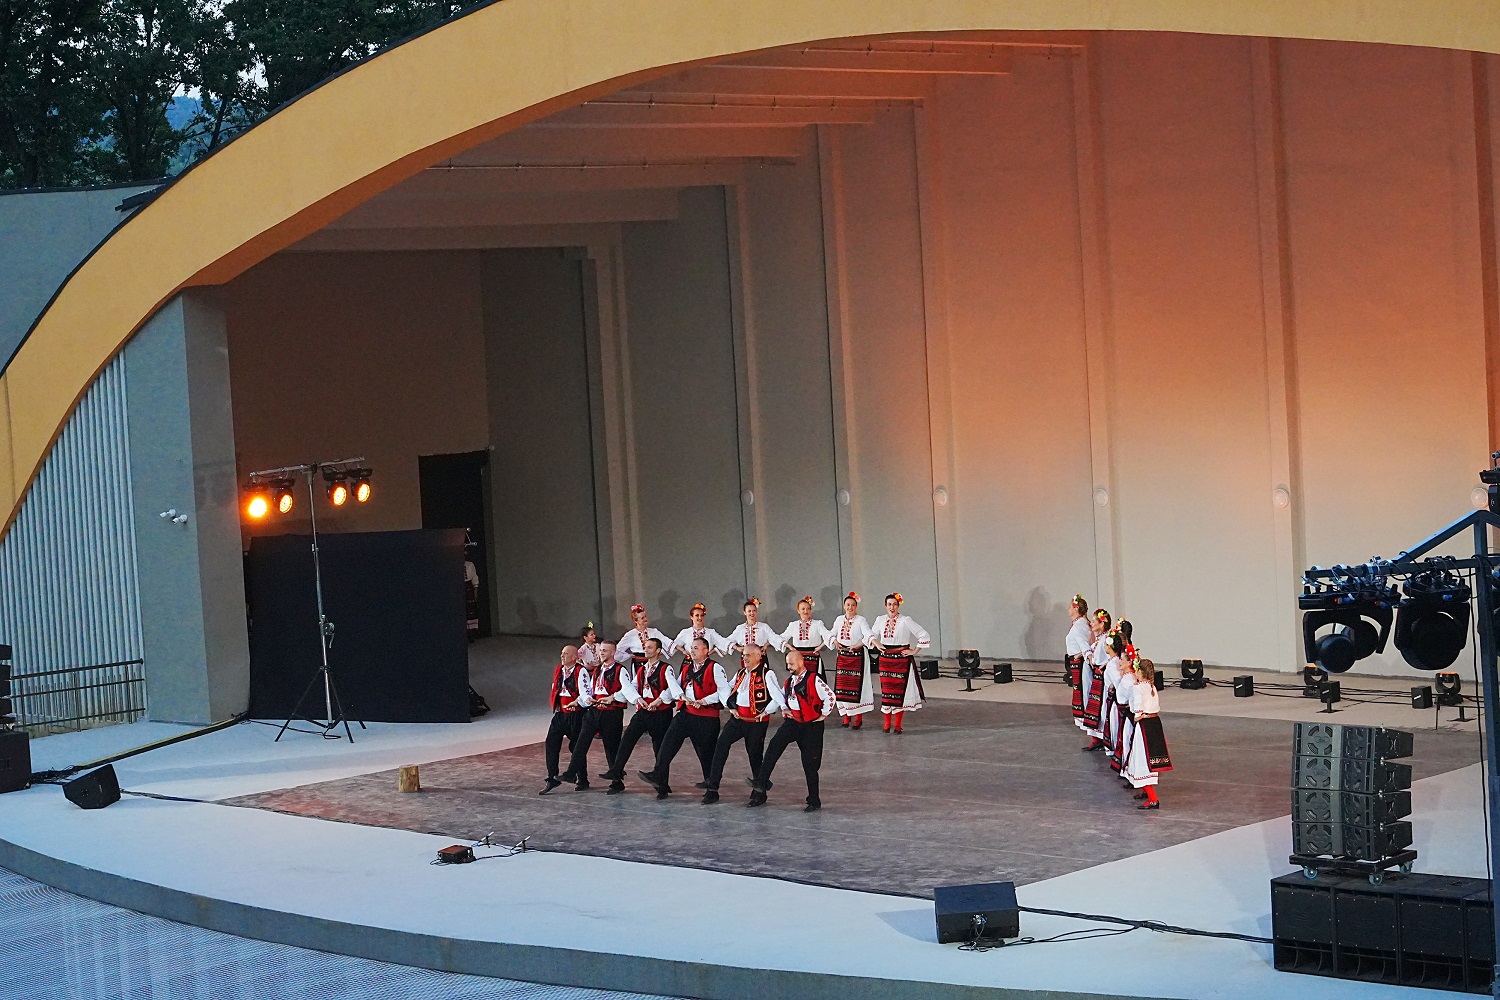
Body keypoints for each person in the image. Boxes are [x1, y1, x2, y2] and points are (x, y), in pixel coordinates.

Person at [638, 638, 728, 798]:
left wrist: (704, 701)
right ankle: (658, 773)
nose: (692, 651)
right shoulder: (687, 668)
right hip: (685, 714)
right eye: (691, 648)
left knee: (706, 755)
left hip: (706, 718)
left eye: (696, 648)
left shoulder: (715, 668)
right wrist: (660, 699)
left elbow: (723, 692)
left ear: (706, 651)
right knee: (668, 743)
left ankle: (712, 790)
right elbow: (675, 686)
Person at [749, 648, 834, 811]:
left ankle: (814, 800)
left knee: (810, 763)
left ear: (801, 662)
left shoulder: (814, 679)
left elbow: (830, 696)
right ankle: (762, 782)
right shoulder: (789, 682)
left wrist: (823, 715)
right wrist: (767, 711)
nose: (788, 667)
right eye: (787, 664)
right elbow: (780, 698)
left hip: (811, 726)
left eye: (791, 664)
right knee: (774, 746)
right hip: (792, 722)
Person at [699, 643, 784, 804]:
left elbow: (777, 697)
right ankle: (713, 786)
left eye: (748, 655)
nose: (745, 658)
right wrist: (727, 705)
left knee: (755, 755)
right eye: (743, 655)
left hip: (755, 723)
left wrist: (766, 711)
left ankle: (760, 792)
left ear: (759, 656)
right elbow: (726, 690)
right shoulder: (740, 673)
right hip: (738, 720)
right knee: (721, 744)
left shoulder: (767, 673)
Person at [600, 637, 678, 793]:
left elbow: (672, 687)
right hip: (643, 711)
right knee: (628, 738)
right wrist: (613, 697)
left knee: (659, 748)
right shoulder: (642, 669)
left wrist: (659, 700)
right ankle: (616, 770)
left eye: (650, 647)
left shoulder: (666, 668)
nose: (646, 650)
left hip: (661, 713)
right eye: (645, 647)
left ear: (658, 651)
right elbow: (631, 687)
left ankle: (662, 785)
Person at [559, 641, 636, 790]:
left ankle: (617, 782)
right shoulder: (598, 669)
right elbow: (590, 690)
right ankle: (571, 773)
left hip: (611, 713)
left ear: (613, 653)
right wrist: (581, 701)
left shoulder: (620, 670)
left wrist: (612, 697)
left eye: (605, 651)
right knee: (581, 742)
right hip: (594, 711)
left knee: (611, 747)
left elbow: (628, 689)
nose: (601, 653)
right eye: (601, 650)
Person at [865, 593, 930, 734]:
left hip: (901, 660)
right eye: (889, 604)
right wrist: (877, 643)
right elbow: (870, 635)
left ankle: (898, 725)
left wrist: (914, 651)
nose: (892, 607)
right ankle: (886, 724)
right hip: (886, 660)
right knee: (887, 692)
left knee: (899, 693)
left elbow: (923, 635)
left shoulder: (905, 620)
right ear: (885, 606)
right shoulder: (880, 620)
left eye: (894, 604)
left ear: (898, 605)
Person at [1124, 658, 1171, 809]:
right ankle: (1145, 791)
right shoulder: (1152, 687)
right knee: (1148, 759)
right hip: (1155, 724)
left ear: (1139, 671)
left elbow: (1137, 712)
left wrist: (1137, 716)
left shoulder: (1137, 688)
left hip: (1144, 726)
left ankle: (1153, 799)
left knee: (1141, 760)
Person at [540, 644, 585, 794]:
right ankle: (552, 777)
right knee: (551, 743)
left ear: (574, 657)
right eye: (562, 653)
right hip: (560, 715)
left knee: (576, 747)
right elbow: (555, 688)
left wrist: (577, 702)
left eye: (566, 653)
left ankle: (582, 778)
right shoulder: (559, 670)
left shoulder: (580, 671)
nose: (562, 656)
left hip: (576, 715)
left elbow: (586, 693)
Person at [826, 591, 874, 729]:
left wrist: (858, 644)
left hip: (857, 656)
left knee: (858, 687)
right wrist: (834, 641)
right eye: (848, 605)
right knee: (843, 687)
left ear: (856, 606)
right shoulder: (839, 619)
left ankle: (858, 718)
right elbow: (831, 633)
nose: (850, 607)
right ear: (844, 606)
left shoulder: (861, 620)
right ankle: (846, 716)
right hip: (843, 656)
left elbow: (868, 634)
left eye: (853, 605)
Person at [1080, 609, 1112, 750]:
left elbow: (1099, 659)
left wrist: (1090, 657)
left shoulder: (1106, 639)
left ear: (1102, 623)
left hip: (1102, 680)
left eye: (1094, 621)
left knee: (1102, 708)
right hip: (1097, 678)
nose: (1091, 623)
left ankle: (1104, 738)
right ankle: (1098, 738)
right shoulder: (1100, 639)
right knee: (1097, 708)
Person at [778, 596, 831, 682]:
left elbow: (828, 635)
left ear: (811, 611)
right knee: (799, 682)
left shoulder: (818, 624)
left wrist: (820, 647)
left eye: (808, 609)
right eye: (803, 609)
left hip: (813, 657)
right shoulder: (793, 625)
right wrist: (790, 647)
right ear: (798, 611)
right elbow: (781, 638)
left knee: (813, 681)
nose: (806, 611)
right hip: (798, 658)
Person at [616, 604, 675, 669]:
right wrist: (628, 656)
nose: (645, 619)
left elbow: (666, 641)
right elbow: (617, 650)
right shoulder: (630, 635)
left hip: (653, 663)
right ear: (635, 620)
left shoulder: (653, 631)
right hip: (638, 664)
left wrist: (679, 649)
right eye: (642, 618)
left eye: (645, 616)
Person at [1066, 595, 1092, 724]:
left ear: (1076, 609)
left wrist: (1081, 655)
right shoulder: (1081, 623)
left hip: (1080, 663)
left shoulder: (1078, 626)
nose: (1068, 609)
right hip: (1077, 661)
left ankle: (1084, 718)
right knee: (1080, 689)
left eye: (1070, 607)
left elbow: (1085, 645)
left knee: (1082, 689)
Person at [464, 553, 481, 643]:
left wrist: (475, 590)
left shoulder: (470, 564)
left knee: (471, 611)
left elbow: (474, 577)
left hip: (468, 588)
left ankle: (472, 634)